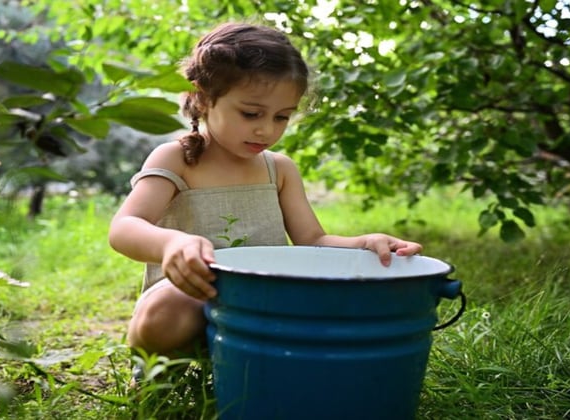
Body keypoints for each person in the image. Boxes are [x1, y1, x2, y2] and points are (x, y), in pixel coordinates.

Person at [108, 21, 423, 357]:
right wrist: (173, 242)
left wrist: (363, 243)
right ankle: (155, 373)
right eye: (251, 113)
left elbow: (313, 241)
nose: (266, 130)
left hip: (260, 302)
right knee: (175, 307)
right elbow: (124, 228)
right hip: (187, 295)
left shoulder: (279, 169)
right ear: (203, 99)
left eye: (281, 117)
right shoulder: (179, 159)